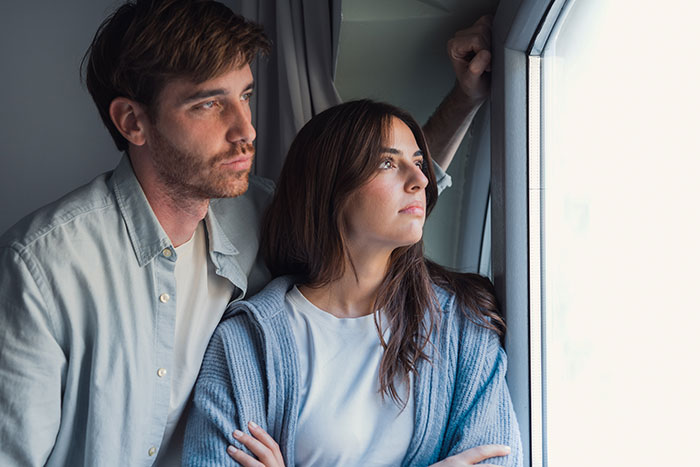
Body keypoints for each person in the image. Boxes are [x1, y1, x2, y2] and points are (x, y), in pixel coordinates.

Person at [0, 1, 493, 465]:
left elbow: (376, 204)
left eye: (246, 96)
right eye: (209, 105)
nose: (246, 130)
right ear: (133, 121)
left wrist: (465, 99)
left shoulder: (255, 210)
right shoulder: (40, 269)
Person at [183, 100, 522, 466]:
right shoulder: (244, 345)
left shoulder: (463, 321)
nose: (420, 180)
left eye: (419, 163)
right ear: (330, 186)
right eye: (388, 163)